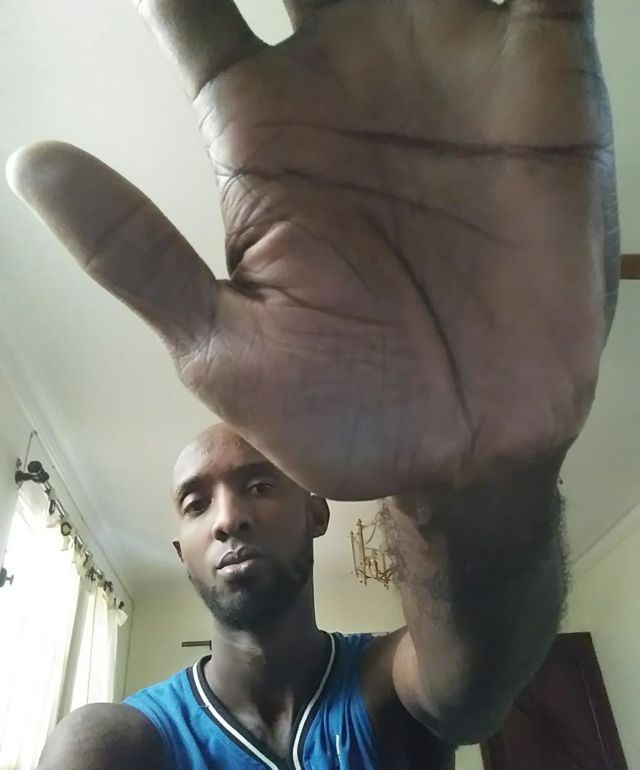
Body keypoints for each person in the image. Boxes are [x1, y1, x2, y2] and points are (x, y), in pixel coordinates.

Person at [9, 0, 618, 768]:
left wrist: (482, 481)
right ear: (181, 551)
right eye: (195, 503)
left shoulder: (389, 687)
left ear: (317, 511)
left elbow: (472, 691)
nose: (228, 518)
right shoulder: (115, 743)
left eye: (259, 483)